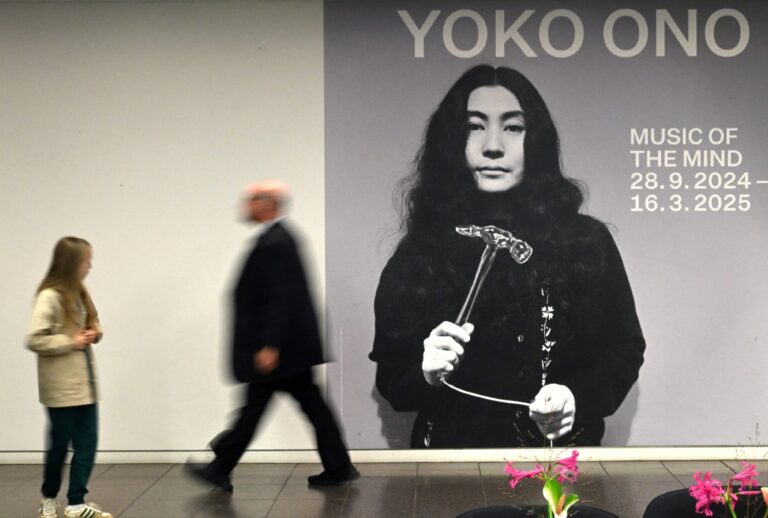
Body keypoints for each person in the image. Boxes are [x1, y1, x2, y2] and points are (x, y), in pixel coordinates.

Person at [369, 65, 646, 448]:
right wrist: (425, 372)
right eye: (474, 126)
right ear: (452, 140)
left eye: (513, 127)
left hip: (556, 460)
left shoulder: (586, 241)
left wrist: (575, 396)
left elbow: (623, 348)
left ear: (536, 140)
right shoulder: (421, 251)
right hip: (452, 462)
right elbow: (392, 378)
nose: (493, 146)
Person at [188, 180, 358, 489]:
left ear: (268, 203)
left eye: (252, 199)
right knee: (304, 406)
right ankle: (339, 466)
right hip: (289, 351)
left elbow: (282, 297)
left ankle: (221, 466)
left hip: (280, 352)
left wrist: (271, 345)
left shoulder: (275, 242)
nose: (246, 205)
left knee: (256, 408)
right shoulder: (278, 238)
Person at [26, 237, 112, 518]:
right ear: (72, 263)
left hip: (85, 386)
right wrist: (70, 341)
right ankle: (48, 498)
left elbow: (94, 322)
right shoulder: (49, 296)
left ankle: (76, 503)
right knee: (60, 446)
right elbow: (34, 338)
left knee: (87, 443)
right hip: (60, 388)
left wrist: (94, 333)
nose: (90, 266)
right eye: (87, 260)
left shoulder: (81, 292)